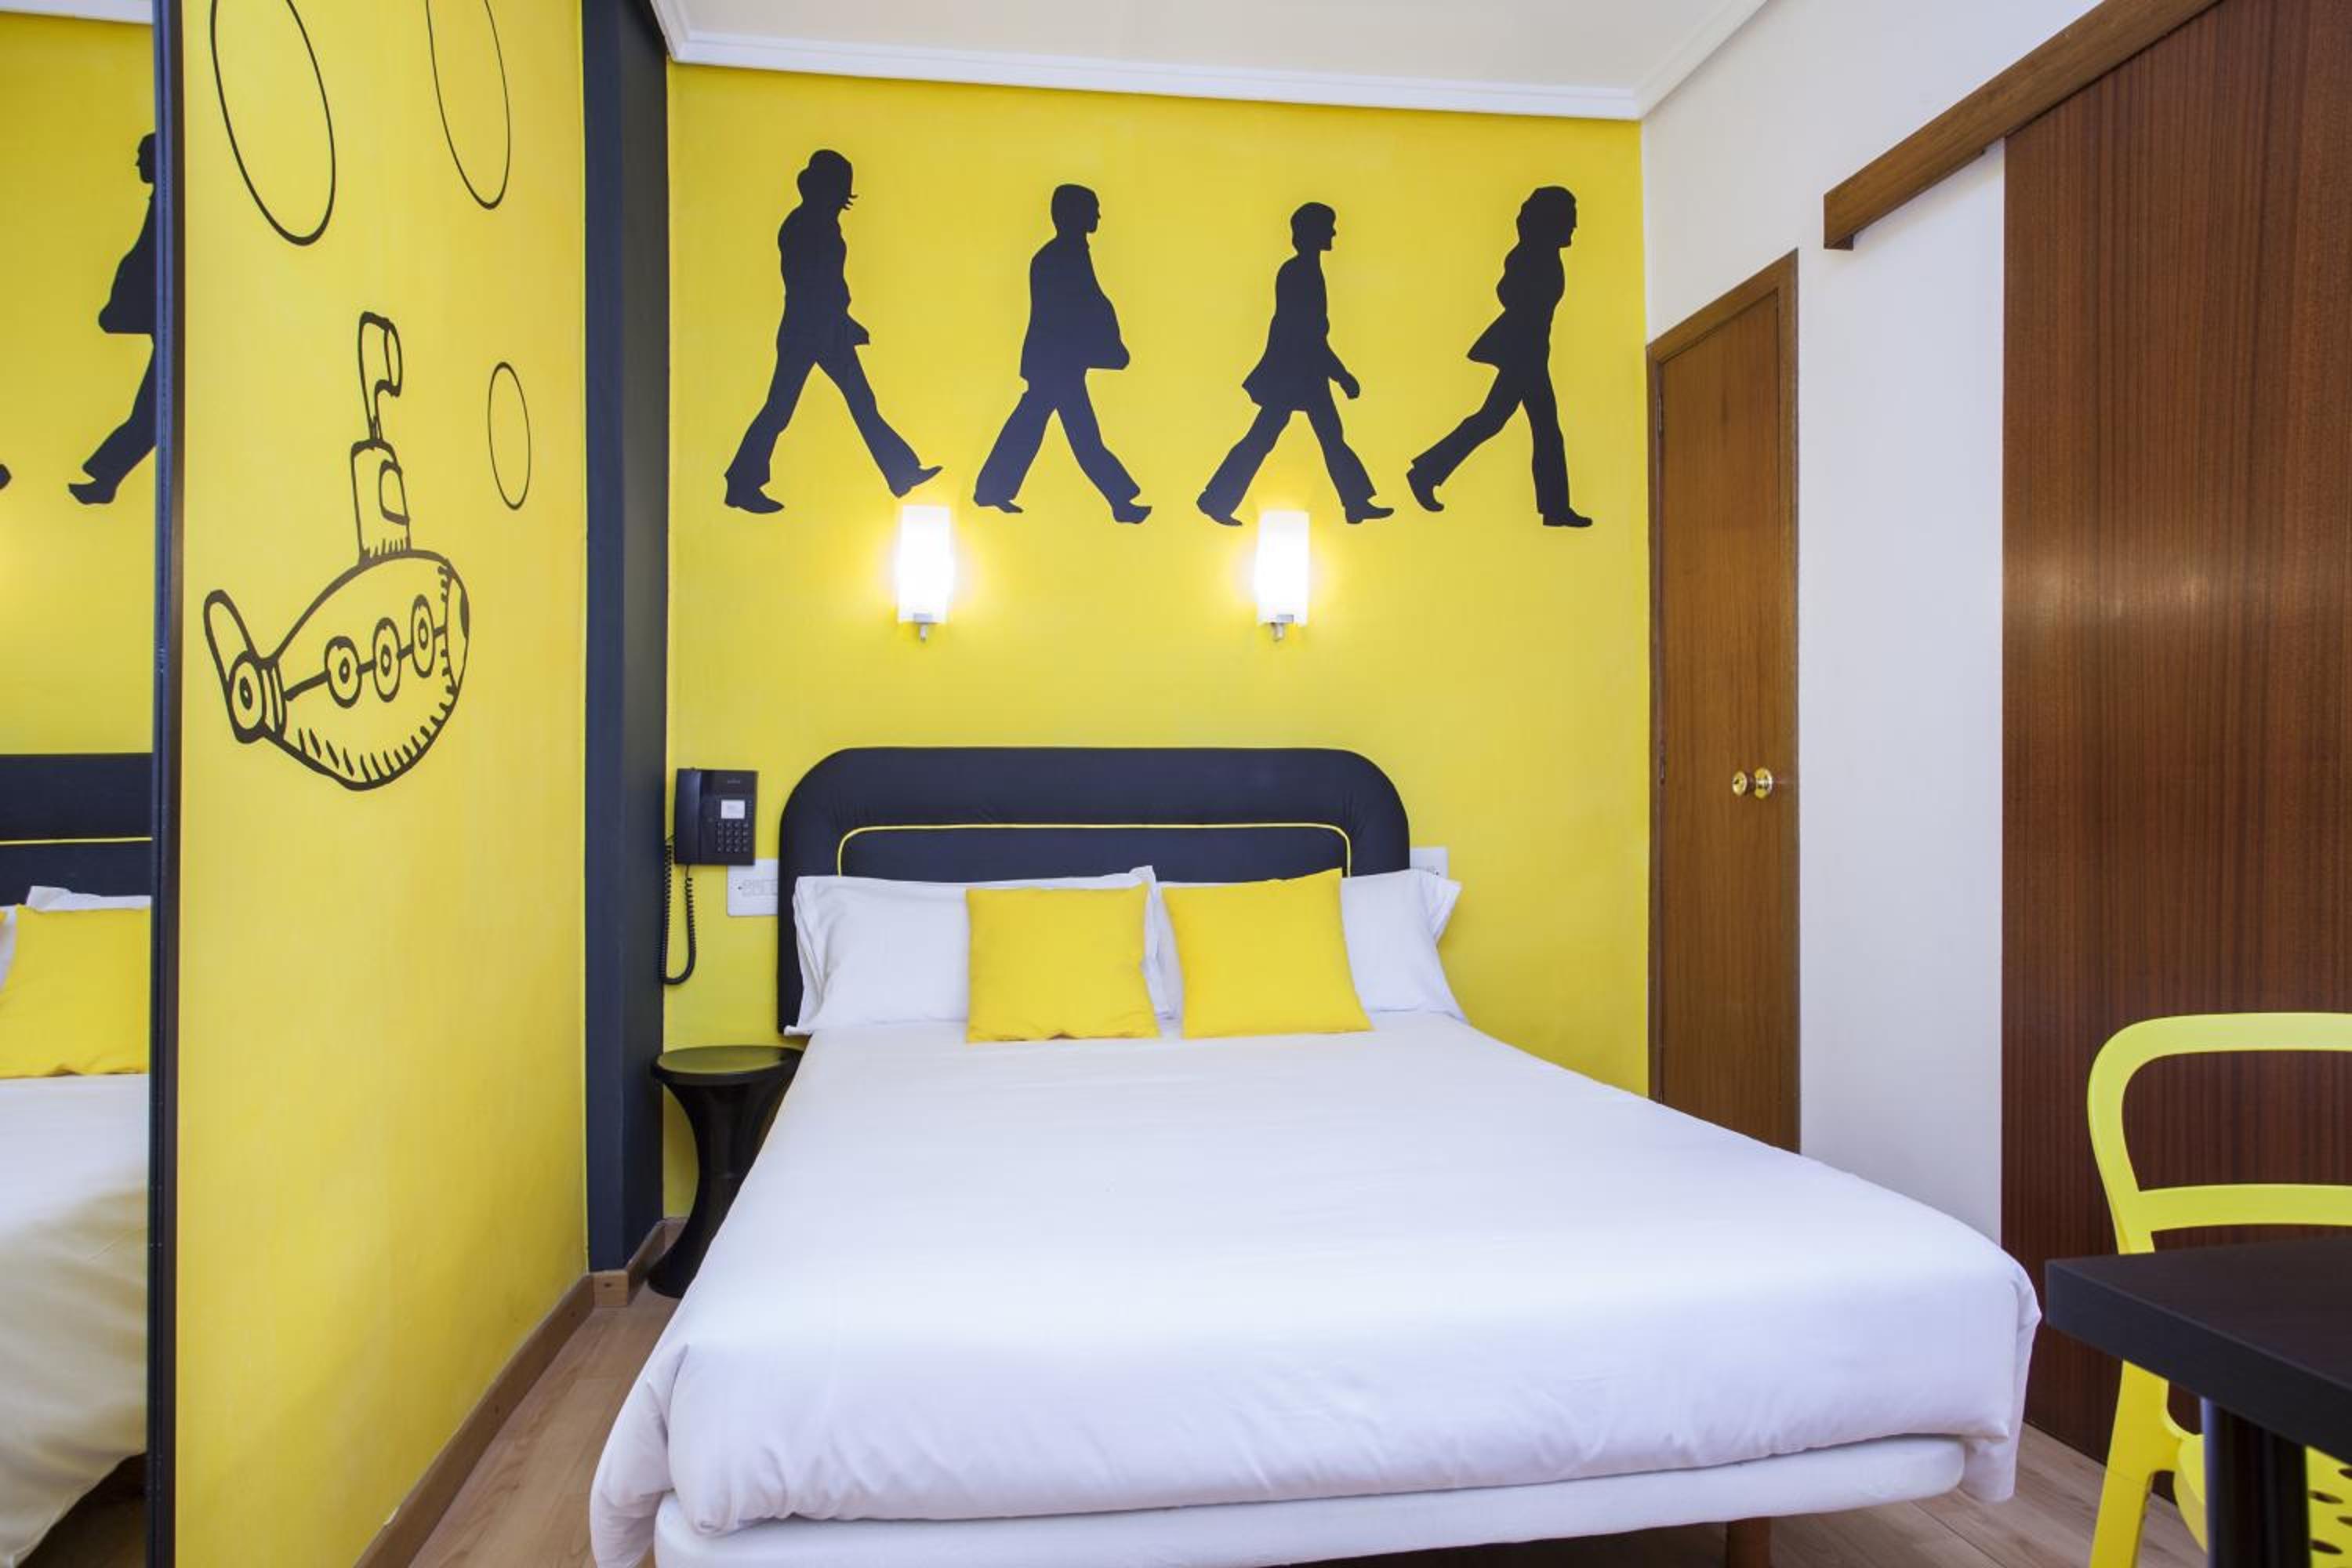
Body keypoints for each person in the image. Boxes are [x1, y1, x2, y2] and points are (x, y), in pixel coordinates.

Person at [724, 149, 938, 514]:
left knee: (857, 402)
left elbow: (827, 283)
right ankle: (742, 483)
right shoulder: (806, 226)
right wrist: (841, 321)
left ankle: (901, 471)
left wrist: (843, 320)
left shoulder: (817, 224)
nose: (842, 203)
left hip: (822, 328)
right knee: (782, 409)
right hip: (810, 329)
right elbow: (813, 284)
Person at [1198, 202, 1390, 527]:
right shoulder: (1299, 273)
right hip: (1297, 373)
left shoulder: (1306, 271)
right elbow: (1306, 332)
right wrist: (1341, 375)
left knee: (1317, 437)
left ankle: (1356, 502)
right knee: (1275, 438)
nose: (1334, 233)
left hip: (1304, 371)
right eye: (1328, 227)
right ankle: (1217, 499)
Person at [1407, 185, 1589, 528]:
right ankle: (1554, 508)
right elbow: (1507, 292)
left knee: (1499, 421)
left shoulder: (1544, 254)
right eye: (1570, 218)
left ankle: (1427, 472)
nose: (1575, 225)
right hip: (1525, 353)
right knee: (1534, 428)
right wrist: (1528, 318)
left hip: (1531, 352)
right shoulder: (1531, 255)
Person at [973, 184, 1148, 523]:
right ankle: (1120, 500)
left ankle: (992, 489)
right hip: (1056, 364)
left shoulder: (1067, 253)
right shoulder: (1059, 257)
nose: (1098, 216)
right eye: (1092, 209)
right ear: (1074, 214)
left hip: (1056, 363)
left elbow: (1090, 304)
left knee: (1036, 427)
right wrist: (1106, 348)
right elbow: (1076, 309)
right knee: (1078, 436)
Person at [71, 132, 157, 507]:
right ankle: (106, 475)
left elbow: (147, 256)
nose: (137, 164)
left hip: (172, 318)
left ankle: (106, 475)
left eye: (142, 156)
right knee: (152, 412)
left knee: (153, 412)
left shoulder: (169, 204)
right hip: (164, 318)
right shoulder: (164, 202)